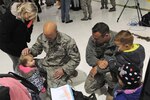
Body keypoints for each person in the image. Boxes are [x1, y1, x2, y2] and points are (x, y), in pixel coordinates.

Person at [21, 21, 80, 92]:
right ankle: (68, 72)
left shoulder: (67, 41)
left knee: (53, 91)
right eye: (46, 36)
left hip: (59, 66)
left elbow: (76, 59)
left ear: (56, 32)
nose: (47, 39)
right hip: (47, 62)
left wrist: (64, 70)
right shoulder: (43, 36)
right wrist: (29, 51)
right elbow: (36, 49)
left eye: (50, 37)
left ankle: (68, 73)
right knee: (24, 63)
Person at [0, 2, 38, 72]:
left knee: (23, 60)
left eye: (31, 17)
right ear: (24, 11)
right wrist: (18, 52)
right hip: (8, 46)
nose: (29, 19)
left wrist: (30, 26)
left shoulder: (26, 18)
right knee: (18, 62)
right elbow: (4, 37)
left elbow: (26, 36)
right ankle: (18, 77)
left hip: (18, 42)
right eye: (29, 17)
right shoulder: (9, 18)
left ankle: (24, 75)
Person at [84, 22, 117, 99]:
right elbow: (89, 57)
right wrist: (98, 62)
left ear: (106, 36)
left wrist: (98, 68)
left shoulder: (118, 39)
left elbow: (119, 62)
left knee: (109, 75)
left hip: (112, 69)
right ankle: (103, 80)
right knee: (88, 88)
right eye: (93, 37)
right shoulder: (93, 39)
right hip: (99, 66)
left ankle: (112, 88)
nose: (94, 40)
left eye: (96, 39)